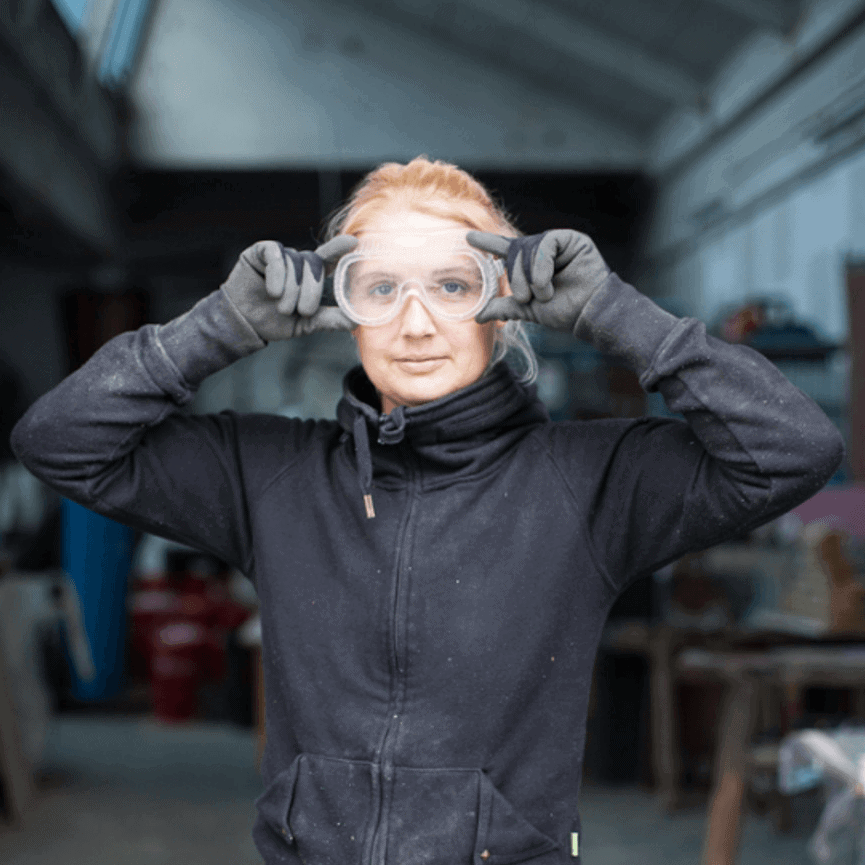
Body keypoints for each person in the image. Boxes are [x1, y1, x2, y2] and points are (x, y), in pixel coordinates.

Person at [11, 155, 843, 864]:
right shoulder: (270, 474)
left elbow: (793, 449)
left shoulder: (587, 481)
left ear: (503, 304)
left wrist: (615, 313)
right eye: (381, 288)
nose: (415, 323)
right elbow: (58, 441)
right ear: (343, 310)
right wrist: (219, 326)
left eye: (452, 285)